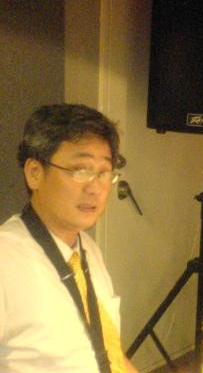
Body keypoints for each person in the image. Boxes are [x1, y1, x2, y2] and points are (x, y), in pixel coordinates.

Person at [0, 104, 139, 372]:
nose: (95, 188)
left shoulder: (88, 249)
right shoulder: (5, 259)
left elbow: (109, 354)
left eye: (104, 172)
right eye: (80, 170)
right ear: (34, 173)